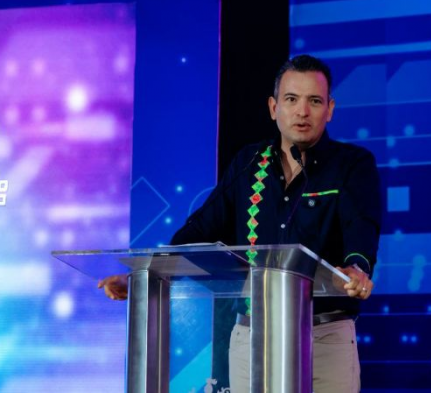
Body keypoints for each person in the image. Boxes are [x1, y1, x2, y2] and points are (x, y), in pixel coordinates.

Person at [100, 54, 381, 393]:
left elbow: (361, 227)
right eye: (291, 99)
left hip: (324, 340)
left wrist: (356, 269)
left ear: (330, 109)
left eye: (315, 101)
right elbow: (199, 231)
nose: (302, 112)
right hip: (252, 338)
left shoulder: (352, 165)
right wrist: (144, 276)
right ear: (273, 107)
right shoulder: (248, 164)